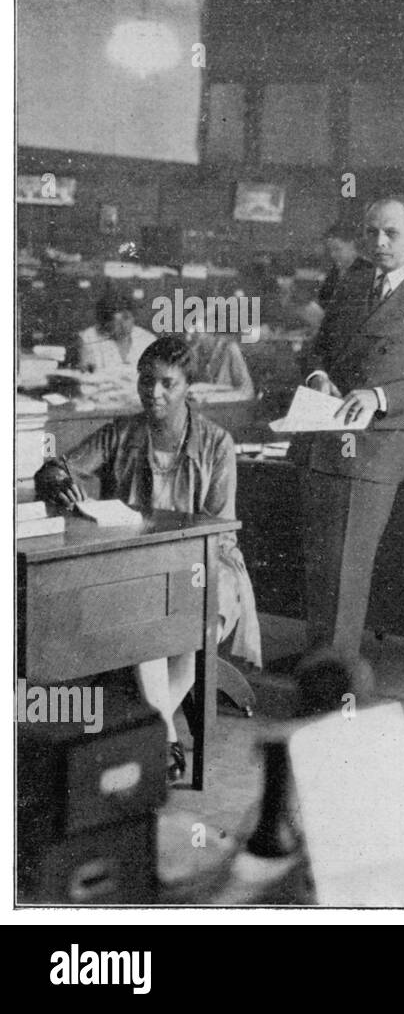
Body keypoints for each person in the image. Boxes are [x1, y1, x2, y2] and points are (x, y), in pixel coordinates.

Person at [35, 336, 262, 783]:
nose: (153, 393)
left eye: (167, 383)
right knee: (149, 616)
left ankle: (151, 733)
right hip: (139, 569)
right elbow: (57, 466)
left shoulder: (217, 443)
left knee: (178, 617)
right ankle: (163, 739)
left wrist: (175, 565)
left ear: (187, 387)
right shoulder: (122, 432)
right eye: (145, 381)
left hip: (207, 565)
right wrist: (56, 478)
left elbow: (219, 530)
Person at [297, 194, 404, 660]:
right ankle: (321, 664)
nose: (380, 242)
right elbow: (316, 349)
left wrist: (379, 396)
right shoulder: (350, 285)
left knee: (347, 565)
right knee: (323, 564)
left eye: (391, 233)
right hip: (326, 436)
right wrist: (319, 376)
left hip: (375, 446)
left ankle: (332, 677)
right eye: (372, 233)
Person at [77, 286, 156, 374]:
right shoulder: (89, 336)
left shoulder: (148, 339)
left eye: (126, 318)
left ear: (133, 317)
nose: (123, 326)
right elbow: (87, 373)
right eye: (116, 321)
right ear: (105, 323)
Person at [187, 324, 255, 398]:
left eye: (199, 332)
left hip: (232, 404)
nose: (197, 338)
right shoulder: (196, 353)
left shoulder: (230, 348)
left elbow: (247, 391)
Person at [318, 221, 373, 309]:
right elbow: (323, 300)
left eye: (337, 249)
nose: (332, 254)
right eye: (330, 250)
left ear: (351, 244)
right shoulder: (334, 271)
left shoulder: (368, 269)